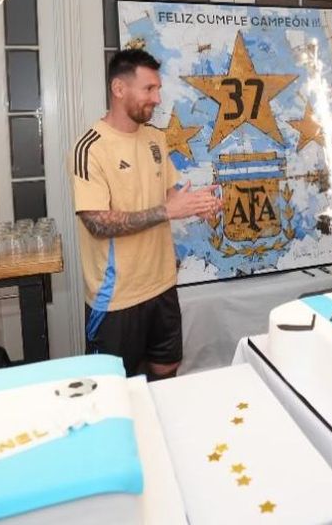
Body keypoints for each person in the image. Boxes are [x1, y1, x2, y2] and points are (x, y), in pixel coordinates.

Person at [71, 49, 220, 379]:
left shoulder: (155, 137)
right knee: (113, 385)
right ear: (119, 89)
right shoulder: (90, 148)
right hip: (117, 298)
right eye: (149, 89)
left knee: (166, 369)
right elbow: (96, 222)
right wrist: (168, 211)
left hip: (163, 285)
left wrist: (194, 203)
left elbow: (168, 194)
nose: (157, 98)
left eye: (158, 89)